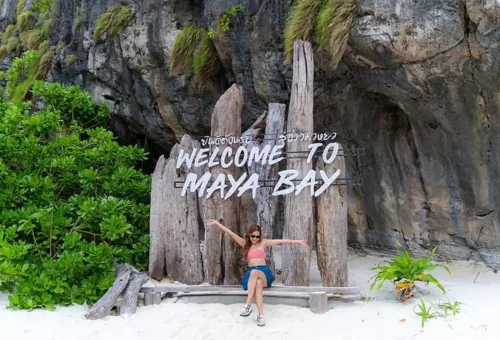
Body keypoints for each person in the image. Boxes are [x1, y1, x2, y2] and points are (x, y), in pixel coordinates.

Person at [206, 219, 308, 327]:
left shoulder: (263, 243)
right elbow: (231, 233)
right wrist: (217, 224)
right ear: (249, 235)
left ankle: (248, 304)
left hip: (263, 272)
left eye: (257, 236)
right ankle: (261, 316)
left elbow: (280, 241)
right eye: (253, 236)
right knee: (257, 283)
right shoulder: (245, 244)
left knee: (255, 273)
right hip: (252, 275)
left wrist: (298, 242)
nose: (255, 238)